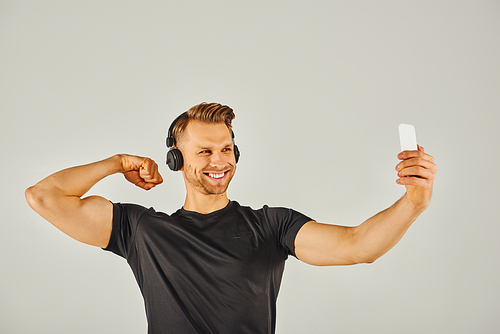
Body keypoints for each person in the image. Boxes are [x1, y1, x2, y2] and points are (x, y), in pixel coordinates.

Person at [25, 102, 437, 333]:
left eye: (226, 149)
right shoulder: (142, 231)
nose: (219, 161)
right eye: (205, 151)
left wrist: (413, 203)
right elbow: (44, 197)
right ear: (176, 160)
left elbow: (357, 246)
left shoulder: (272, 226)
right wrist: (116, 162)